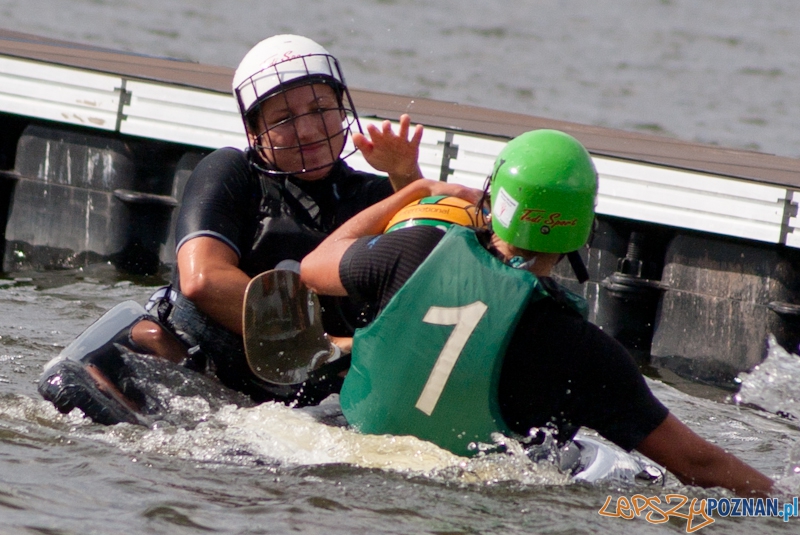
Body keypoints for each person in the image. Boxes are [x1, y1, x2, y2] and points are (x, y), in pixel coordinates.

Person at [299, 129, 774, 497]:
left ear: (493, 198)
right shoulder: (582, 351)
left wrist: (414, 190)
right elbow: (699, 465)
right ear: (582, 230)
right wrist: (782, 505)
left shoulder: (415, 247)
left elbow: (312, 267)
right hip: (479, 485)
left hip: (349, 452)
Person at [38, 34, 424, 422]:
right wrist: (329, 346)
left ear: (344, 113)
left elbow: (425, 281)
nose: (307, 130)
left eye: (321, 109)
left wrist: (406, 176)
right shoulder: (231, 172)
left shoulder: (379, 196)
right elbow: (203, 279)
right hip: (194, 368)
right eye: (285, 119)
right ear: (255, 132)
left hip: (299, 403)